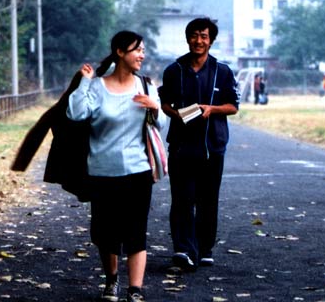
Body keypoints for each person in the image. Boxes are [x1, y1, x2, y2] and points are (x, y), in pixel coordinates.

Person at [66, 31, 165, 302]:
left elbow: (162, 124)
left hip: (138, 171)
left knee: (135, 230)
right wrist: (84, 83)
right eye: (137, 50)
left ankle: (136, 290)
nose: (142, 55)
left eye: (144, 50)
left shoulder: (145, 85)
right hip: (102, 172)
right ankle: (111, 281)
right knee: (105, 233)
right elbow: (75, 113)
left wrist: (154, 107)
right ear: (120, 52)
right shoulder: (97, 87)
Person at [159, 17, 240, 271]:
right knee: (182, 199)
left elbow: (233, 107)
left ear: (211, 40)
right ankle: (183, 250)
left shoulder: (222, 71)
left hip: (212, 146)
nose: (199, 40)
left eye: (204, 36)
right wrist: (177, 114)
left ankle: (204, 248)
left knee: (208, 200)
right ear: (188, 38)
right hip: (182, 147)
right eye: (194, 35)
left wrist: (211, 109)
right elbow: (165, 103)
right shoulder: (174, 70)